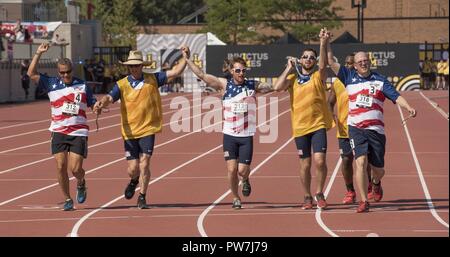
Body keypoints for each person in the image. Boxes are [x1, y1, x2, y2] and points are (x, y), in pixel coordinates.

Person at [324, 28, 417, 213]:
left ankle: (375, 181)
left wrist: (408, 107)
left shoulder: (380, 80)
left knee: (378, 168)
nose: (363, 63)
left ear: (369, 62)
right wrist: (326, 42)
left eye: (366, 61)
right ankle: (363, 201)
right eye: (360, 62)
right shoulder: (348, 77)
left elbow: (396, 96)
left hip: (376, 130)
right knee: (360, 161)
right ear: (355, 65)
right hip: (356, 127)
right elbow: (330, 61)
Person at [93, 48, 189, 209]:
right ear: (128, 67)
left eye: (137, 65)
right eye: (131, 66)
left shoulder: (153, 79)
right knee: (133, 169)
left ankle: (142, 196)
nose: (134, 68)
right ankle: (133, 180)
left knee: (145, 164)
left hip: (148, 129)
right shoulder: (122, 85)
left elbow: (175, 72)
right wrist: (101, 103)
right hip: (129, 132)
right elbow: (109, 97)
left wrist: (186, 57)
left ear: (142, 66)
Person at [182, 49, 273, 209]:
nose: (241, 73)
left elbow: (274, 87)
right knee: (232, 170)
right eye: (238, 70)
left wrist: (289, 72)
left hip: (246, 135)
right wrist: (187, 59)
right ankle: (236, 197)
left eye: (243, 70)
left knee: (242, 170)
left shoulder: (252, 85)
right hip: (229, 135)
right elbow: (202, 75)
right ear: (232, 71)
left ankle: (245, 179)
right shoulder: (224, 85)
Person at [27, 43, 96, 211]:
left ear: (73, 71)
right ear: (58, 72)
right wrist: (38, 53)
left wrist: (98, 106)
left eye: (68, 72)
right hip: (58, 130)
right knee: (60, 166)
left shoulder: (82, 85)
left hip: (78, 131)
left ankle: (81, 182)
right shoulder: (51, 83)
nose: (66, 75)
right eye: (62, 73)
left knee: (76, 168)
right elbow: (31, 73)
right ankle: (67, 199)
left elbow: (93, 103)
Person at [273, 29, 334, 210]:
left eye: (311, 57)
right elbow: (277, 87)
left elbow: (323, 66)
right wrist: (289, 67)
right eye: (305, 57)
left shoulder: (318, 76)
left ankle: (320, 192)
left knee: (320, 161)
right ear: (300, 60)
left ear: (314, 62)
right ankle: (307, 195)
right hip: (300, 127)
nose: (308, 59)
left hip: (318, 125)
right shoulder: (293, 78)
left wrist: (322, 43)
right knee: (305, 164)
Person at [327, 54, 373, 204]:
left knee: (364, 161)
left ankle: (370, 187)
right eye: (345, 63)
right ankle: (350, 190)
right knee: (346, 160)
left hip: (361, 127)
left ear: (355, 65)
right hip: (344, 130)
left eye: (350, 63)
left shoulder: (363, 82)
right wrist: (332, 116)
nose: (347, 65)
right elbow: (329, 103)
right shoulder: (337, 83)